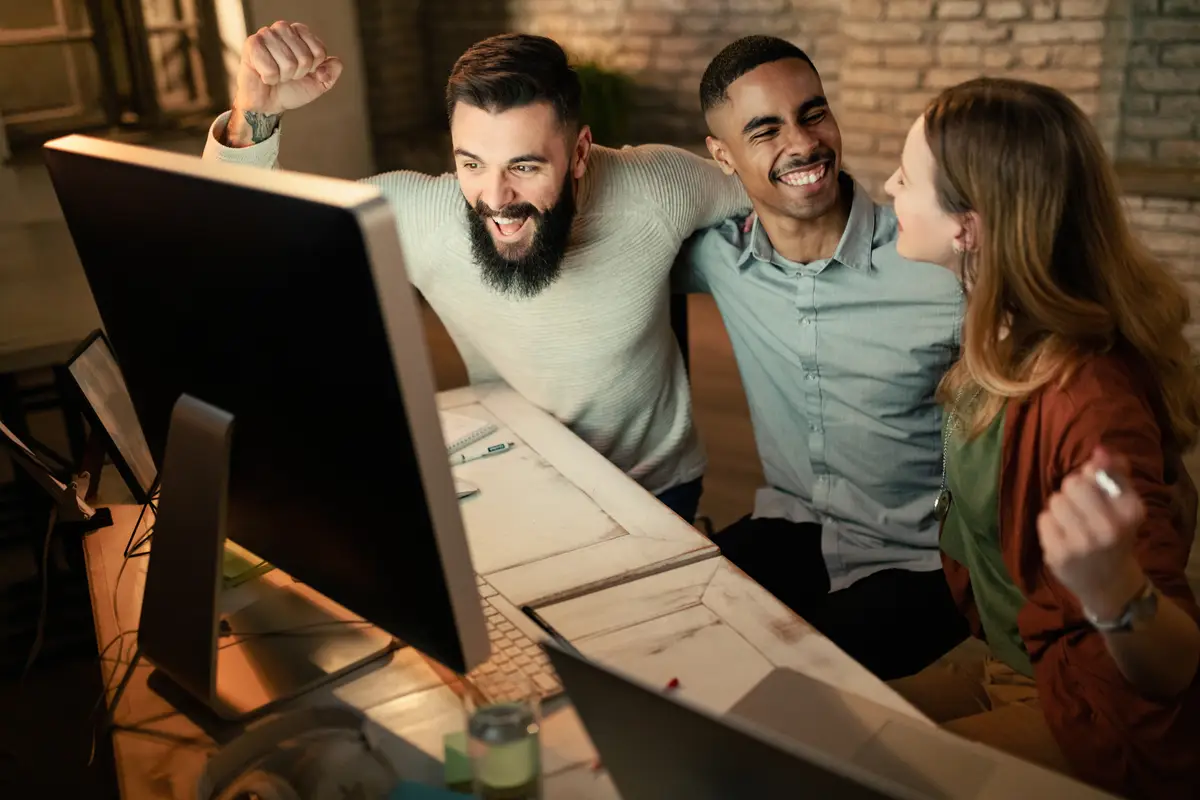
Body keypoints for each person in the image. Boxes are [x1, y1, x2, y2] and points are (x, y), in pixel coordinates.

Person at [202, 21, 750, 523]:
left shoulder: (655, 187)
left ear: (580, 152)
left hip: (654, 488)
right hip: (516, 475)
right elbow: (248, 243)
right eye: (471, 164)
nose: (495, 198)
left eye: (524, 166)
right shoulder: (424, 216)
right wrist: (255, 112)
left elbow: (769, 193)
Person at [883, 77, 1200, 798]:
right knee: (818, 723)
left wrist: (1115, 589)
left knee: (850, 770)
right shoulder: (999, 333)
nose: (889, 185)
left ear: (968, 226)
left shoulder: (1088, 399)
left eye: (906, 173)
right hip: (1012, 660)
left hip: (1091, 707)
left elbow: (1173, 665)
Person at [674, 35, 968, 680]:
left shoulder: (935, 264)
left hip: (924, 558)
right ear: (722, 156)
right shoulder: (719, 257)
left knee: (793, 680)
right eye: (765, 130)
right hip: (796, 521)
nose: (803, 143)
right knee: (675, 632)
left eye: (813, 114)